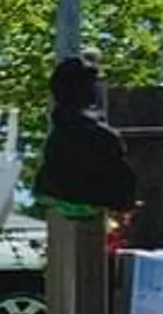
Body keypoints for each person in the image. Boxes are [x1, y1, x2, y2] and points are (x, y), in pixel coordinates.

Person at [31, 51, 144, 234]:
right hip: (96, 199)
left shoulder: (58, 136)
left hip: (66, 196)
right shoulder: (103, 136)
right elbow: (124, 182)